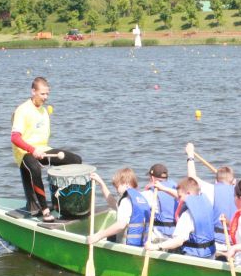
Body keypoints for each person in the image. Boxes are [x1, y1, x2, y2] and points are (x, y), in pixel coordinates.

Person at [11, 76, 82, 222]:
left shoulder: (44, 111)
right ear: (33, 92)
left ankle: (63, 202)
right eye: (42, 94)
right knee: (35, 169)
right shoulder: (22, 110)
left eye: (47, 94)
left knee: (76, 160)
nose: (45, 97)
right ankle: (45, 210)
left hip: (43, 149)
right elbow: (15, 138)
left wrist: (40, 150)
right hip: (24, 152)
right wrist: (32, 150)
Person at [184, 142, 236, 254]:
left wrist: (190, 155)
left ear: (216, 181)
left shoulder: (212, 189)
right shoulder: (240, 193)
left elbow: (192, 178)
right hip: (234, 244)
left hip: (216, 243)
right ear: (233, 181)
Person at [145, 177, 215, 258]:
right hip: (210, 254)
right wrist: (164, 189)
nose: (178, 200)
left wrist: (156, 246)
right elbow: (184, 195)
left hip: (193, 257)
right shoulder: (206, 203)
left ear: (188, 194)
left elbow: (178, 241)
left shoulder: (187, 215)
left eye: (180, 196)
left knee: (165, 246)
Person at [87, 168, 151, 246]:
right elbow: (113, 203)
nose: (116, 190)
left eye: (117, 187)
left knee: (107, 235)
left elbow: (120, 225)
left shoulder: (126, 201)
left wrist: (98, 236)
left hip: (127, 246)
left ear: (126, 183)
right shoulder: (140, 198)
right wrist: (101, 183)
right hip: (140, 244)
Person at [142, 163, 178, 240]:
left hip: (160, 235)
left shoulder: (149, 194)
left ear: (152, 178)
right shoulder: (177, 189)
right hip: (176, 234)